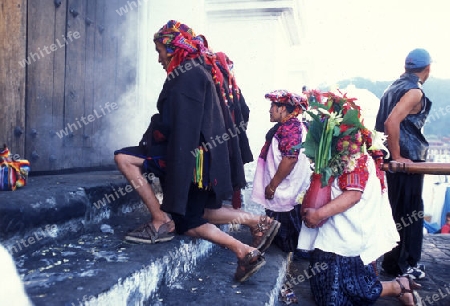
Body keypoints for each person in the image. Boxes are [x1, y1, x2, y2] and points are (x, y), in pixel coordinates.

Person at [114, 20, 279, 282]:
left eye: (159, 51)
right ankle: (256, 221)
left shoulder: (186, 76)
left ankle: (166, 222)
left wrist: (178, 181)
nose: (158, 59)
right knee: (199, 212)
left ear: (172, 48)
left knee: (126, 160)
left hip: (190, 158)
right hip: (207, 159)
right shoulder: (204, 69)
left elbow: (182, 130)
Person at [298, 106, 420, 305]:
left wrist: (319, 214)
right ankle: (396, 286)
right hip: (335, 235)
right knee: (326, 294)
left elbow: (353, 195)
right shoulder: (339, 155)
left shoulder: (353, 157)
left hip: (347, 237)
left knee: (344, 295)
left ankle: (398, 287)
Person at [375, 48, 432, 280]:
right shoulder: (414, 91)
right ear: (427, 69)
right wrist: (398, 156)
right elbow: (391, 122)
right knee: (411, 213)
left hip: (391, 160)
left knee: (396, 211)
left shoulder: (392, 87)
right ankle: (407, 266)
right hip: (406, 162)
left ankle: (392, 263)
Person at [251, 90, 311, 253]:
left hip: (283, 189)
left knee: (284, 238)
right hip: (285, 188)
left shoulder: (290, 128)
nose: (270, 109)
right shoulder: (292, 125)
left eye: (273, 106)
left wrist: (272, 186)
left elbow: (290, 158)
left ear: (283, 108)